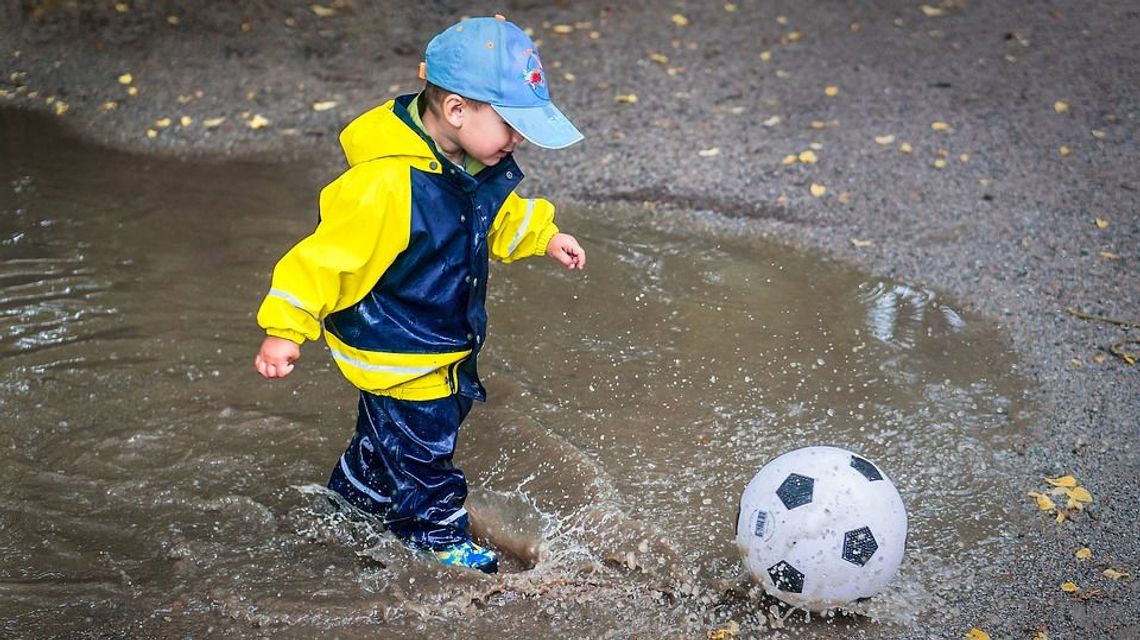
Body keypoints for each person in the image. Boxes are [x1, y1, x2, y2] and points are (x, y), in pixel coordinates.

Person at [252, 15, 585, 574]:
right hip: (405, 349)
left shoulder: (465, 164)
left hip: (425, 341)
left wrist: (545, 237)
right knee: (428, 456)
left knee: (384, 440)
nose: (519, 139)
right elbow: (324, 258)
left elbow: (491, 219)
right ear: (457, 110)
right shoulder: (385, 184)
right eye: (511, 124)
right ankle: (435, 540)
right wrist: (284, 330)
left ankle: (350, 504)